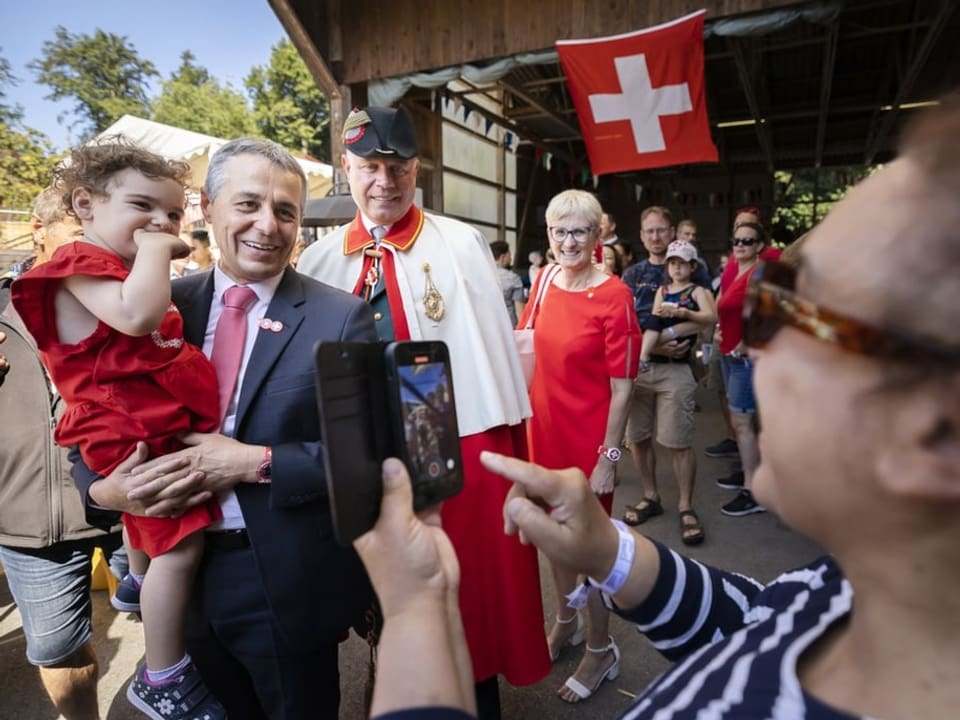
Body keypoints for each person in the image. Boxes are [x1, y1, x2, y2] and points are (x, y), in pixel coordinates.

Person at [354, 95, 960, 720]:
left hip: (589, 432)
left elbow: (621, 384)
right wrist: (613, 555)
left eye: (796, 313)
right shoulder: (837, 592)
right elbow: (758, 613)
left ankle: (598, 645)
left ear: (935, 434)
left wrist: (415, 607)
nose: (748, 345)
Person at [71, 137, 379, 720]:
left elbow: (369, 457)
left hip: (280, 582)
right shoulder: (153, 309)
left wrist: (252, 463)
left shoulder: (341, 318)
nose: (268, 224)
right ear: (206, 210)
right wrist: (103, 490)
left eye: (286, 211)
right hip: (175, 575)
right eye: (247, 205)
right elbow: (89, 415)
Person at [297, 105, 550, 718]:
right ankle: (393, 686)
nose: (384, 181)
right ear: (346, 170)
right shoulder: (319, 259)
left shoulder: (458, 242)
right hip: (359, 448)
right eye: (369, 168)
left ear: (416, 170)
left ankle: (468, 696)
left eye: (397, 167)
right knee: (370, 590)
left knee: (460, 590)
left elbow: (487, 360)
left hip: (449, 440)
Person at [11, 141, 230, 720]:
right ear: (84, 204)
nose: (160, 223)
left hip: (132, 422)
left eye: (173, 214)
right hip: (121, 425)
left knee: (153, 535)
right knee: (182, 548)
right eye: (143, 207)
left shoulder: (112, 268)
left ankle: (135, 580)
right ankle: (162, 676)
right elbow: (137, 316)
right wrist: (161, 251)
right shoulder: (78, 265)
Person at [0, 188, 125, 720]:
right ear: (38, 230)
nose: (94, 250)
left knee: (184, 618)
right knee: (58, 650)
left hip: (133, 499)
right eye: (79, 235)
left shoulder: (134, 298)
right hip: (34, 515)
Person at [518, 189, 640, 703]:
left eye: (579, 231)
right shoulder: (543, 281)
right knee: (551, 538)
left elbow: (623, 387)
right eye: (558, 231)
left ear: (599, 235)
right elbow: (523, 347)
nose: (568, 241)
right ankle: (565, 620)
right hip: (540, 435)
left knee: (589, 552)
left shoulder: (615, 295)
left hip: (587, 444)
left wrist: (608, 459)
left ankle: (600, 647)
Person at [620, 207, 710, 543]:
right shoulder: (632, 275)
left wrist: (671, 337)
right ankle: (651, 496)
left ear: (672, 231)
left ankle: (686, 505)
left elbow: (708, 318)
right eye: (649, 232)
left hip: (676, 369)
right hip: (641, 369)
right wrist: (655, 348)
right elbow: (625, 323)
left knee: (679, 441)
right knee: (637, 438)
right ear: (642, 236)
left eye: (661, 230)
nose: (655, 237)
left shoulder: (691, 271)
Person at [712, 220, 768, 517]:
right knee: (741, 423)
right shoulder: (736, 270)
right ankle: (750, 476)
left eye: (748, 240)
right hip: (728, 354)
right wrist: (721, 332)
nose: (741, 245)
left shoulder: (759, 274)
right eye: (737, 240)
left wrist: (745, 344)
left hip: (743, 358)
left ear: (760, 246)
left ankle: (753, 489)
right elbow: (727, 309)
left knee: (744, 424)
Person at [637, 241, 717, 386]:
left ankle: (645, 352)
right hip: (662, 331)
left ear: (692, 266)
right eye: (673, 263)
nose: (677, 267)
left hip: (683, 336)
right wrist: (664, 312)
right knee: (653, 320)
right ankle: (643, 356)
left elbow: (710, 316)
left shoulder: (696, 290)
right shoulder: (663, 290)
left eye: (682, 263)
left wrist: (687, 314)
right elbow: (655, 315)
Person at [489, 240, 526, 326]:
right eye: (509, 255)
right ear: (503, 257)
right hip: (508, 328)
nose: (511, 258)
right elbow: (520, 312)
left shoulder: (479, 276)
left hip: (486, 328)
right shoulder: (513, 278)